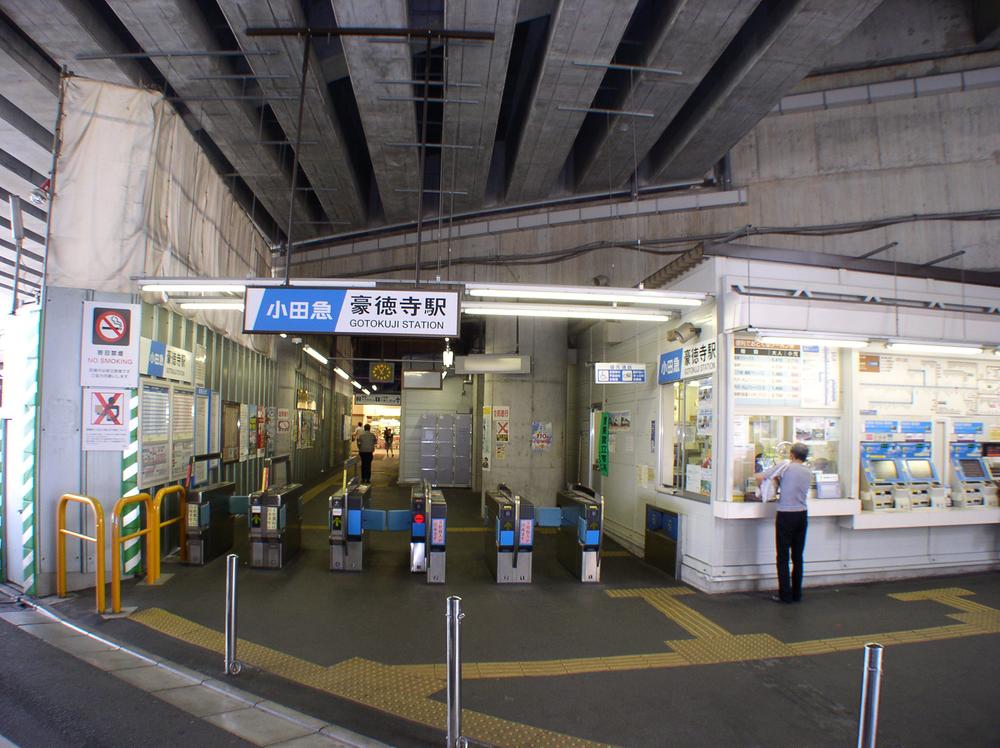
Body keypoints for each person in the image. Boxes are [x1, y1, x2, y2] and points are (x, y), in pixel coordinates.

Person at [755, 442, 810, 604]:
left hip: (786, 515)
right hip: (802, 514)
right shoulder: (808, 471)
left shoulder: (785, 467)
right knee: (798, 556)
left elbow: (759, 477)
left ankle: (785, 595)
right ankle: (797, 593)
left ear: (792, 455)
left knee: (783, 557)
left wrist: (769, 486)